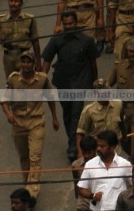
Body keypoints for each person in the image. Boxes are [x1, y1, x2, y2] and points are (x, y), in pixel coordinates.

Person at [2, 49, 59, 202]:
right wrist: (9, 115)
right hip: (18, 122)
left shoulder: (42, 79)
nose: (26, 65)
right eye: (24, 61)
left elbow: (50, 98)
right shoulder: (13, 79)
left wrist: (54, 117)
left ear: (34, 64)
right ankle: (27, 182)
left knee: (35, 156)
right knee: (24, 157)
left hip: (36, 121)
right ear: (20, 63)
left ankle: (32, 191)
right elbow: (4, 101)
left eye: (29, 62)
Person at [42, 9, 100, 158]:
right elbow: (47, 60)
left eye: (71, 23)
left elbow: (93, 63)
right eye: (65, 24)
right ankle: (72, 140)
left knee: (76, 115)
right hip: (63, 83)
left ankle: (74, 147)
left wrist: (96, 83)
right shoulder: (57, 39)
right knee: (67, 114)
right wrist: (41, 79)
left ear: (76, 23)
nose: (68, 26)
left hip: (80, 83)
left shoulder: (86, 40)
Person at [76, 131, 133, 210]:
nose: (98, 148)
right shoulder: (90, 164)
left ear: (112, 147)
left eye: (102, 146)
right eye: (98, 145)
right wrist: (92, 196)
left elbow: (133, 185)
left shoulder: (125, 165)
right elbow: (81, 188)